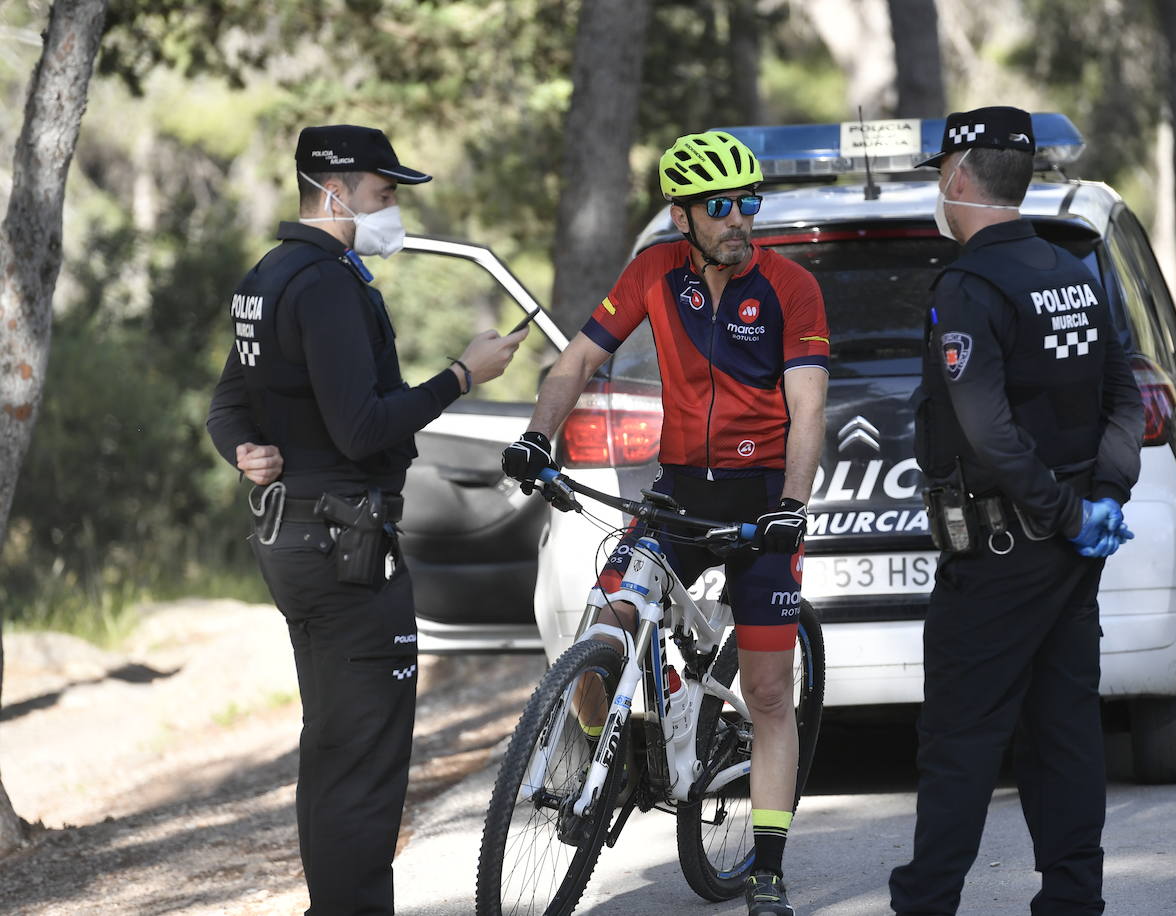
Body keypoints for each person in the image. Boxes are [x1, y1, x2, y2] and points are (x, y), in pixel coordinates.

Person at [501, 130, 829, 916]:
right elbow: (578, 361)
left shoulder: (790, 288)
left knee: (770, 693)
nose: (740, 219)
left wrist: (792, 503)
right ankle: (606, 758)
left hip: (761, 505)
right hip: (680, 495)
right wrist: (536, 438)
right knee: (605, 624)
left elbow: (808, 404)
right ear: (683, 215)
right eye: (721, 207)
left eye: (750, 202)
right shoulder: (653, 272)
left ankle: (769, 871)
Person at [206, 124, 525, 916]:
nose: (393, 212)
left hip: (295, 538)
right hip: (345, 545)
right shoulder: (326, 285)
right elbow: (362, 428)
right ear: (336, 190)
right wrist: (461, 374)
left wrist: (244, 448)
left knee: (334, 748)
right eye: (385, 195)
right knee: (366, 761)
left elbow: (226, 406)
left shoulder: (268, 276)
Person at [888, 106, 1145, 916]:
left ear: (959, 178)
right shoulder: (1073, 266)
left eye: (940, 175)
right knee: (1063, 734)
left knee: (961, 742)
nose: (940, 187)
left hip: (1005, 547)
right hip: (1069, 549)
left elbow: (987, 428)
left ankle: (925, 903)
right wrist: (1102, 497)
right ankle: (1073, 902)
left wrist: (1065, 511)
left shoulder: (970, 286)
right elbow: (1124, 395)